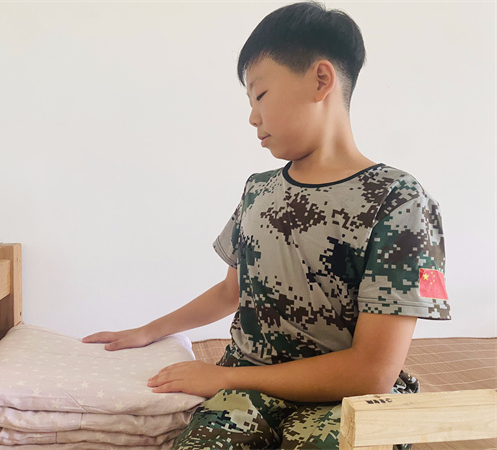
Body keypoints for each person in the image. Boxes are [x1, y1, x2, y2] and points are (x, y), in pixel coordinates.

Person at [83, 2, 451, 448]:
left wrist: (221, 376)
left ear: (321, 80)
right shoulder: (258, 191)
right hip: (245, 393)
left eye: (259, 95)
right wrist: (148, 331)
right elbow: (231, 291)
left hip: (345, 399)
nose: (252, 117)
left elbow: (372, 371)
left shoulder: (400, 201)